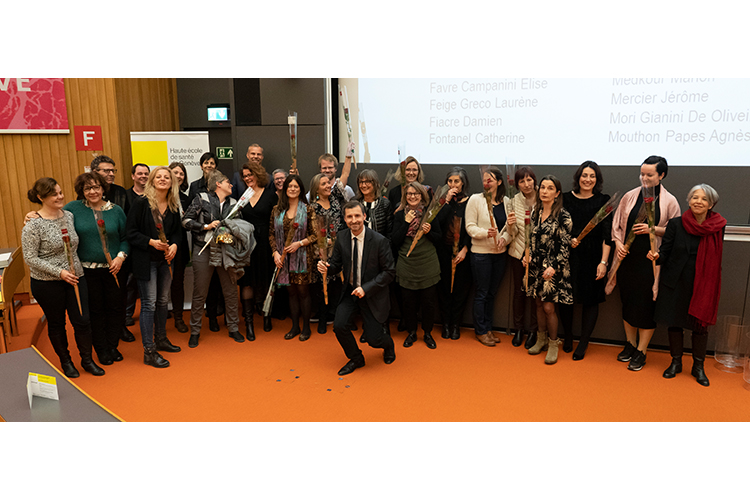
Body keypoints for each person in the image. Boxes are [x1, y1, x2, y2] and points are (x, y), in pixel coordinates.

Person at [21, 177, 105, 377]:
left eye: (60, 192)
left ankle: (87, 360)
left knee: (83, 321)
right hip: (47, 283)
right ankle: (66, 362)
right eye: (54, 194)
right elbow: (30, 258)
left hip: (76, 278)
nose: (60, 197)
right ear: (41, 197)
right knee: (57, 323)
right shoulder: (33, 225)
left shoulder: (69, 215)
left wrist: (70, 272)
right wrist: (59, 272)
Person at [607, 155, 681, 371]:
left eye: (650, 175)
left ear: (661, 175)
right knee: (627, 302)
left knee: (647, 306)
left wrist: (653, 229)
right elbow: (616, 226)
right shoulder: (630, 196)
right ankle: (630, 344)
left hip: (650, 262)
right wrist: (618, 244)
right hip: (627, 260)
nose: (644, 178)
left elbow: (674, 232)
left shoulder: (670, 201)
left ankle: (642, 350)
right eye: (642, 174)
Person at [648, 184, 725, 386]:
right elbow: (665, 251)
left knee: (700, 326)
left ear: (711, 204)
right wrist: (657, 256)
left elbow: (717, 255)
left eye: (704, 199)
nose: (698, 201)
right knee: (675, 322)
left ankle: (698, 367)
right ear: (689, 201)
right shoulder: (676, 224)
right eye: (694, 197)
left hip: (703, 282)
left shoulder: (718, 225)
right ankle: (676, 363)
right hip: (676, 281)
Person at [318, 200, 396, 376]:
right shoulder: (342, 237)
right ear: (345, 219)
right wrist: (326, 267)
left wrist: (366, 288)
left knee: (374, 339)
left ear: (364, 217)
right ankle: (356, 358)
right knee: (339, 326)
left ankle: (388, 345)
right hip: (351, 291)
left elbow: (389, 272)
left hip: (372, 294)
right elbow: (336, 264)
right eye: (349, 217)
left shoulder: (379, 241)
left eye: (357, 216)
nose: (354, 220)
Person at [63, 172, 129, 366]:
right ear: (81, 191)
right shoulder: (73, 209)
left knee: (115, 309)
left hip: (114, 269)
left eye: (96, 187)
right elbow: (53, 217)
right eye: (87, 188)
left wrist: (120, 257)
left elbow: (125, 238)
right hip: (87, 272)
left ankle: (113, 345)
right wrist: (32, 215)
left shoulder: (116, 210)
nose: (92, 191)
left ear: (103, 188)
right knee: (96, 311)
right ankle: (101, 349)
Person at [126, 166, 182, 368]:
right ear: (152, 180)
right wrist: (150, 242)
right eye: (159, 176)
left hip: (166, 261)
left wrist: (175, 245)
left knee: (163, 301)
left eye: (167, 177)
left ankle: (161, 339)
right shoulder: (141, 203)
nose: (163, 179)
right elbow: (130, 232)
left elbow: (177, 232)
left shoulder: (173, 204)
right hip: (146, 260)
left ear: (172, 182)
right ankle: (149, 351)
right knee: (149, 304)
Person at [182, 170, 246, 347]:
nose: (231, 185)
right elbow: (185, 221)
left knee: (230, 291)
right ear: (218, 184)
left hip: (226, 251)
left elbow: (240, 227)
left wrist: (231, 231)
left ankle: (233, 327)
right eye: (228, 182)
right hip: (204, 250)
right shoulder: (201, 198)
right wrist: (206, 226)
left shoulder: (234, 203)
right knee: (200, 292)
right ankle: (195, 331)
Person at [559, 161, 613, 360]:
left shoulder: (604, 201)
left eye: (592, 176)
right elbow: (558, 227)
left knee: (590, 300)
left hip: (593, 257)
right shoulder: (565, 199)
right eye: (584, 175)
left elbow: (607, 235)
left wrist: (603, 262)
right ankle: (567, 336)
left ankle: (583, 341)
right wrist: (568, 239)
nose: (587, 179)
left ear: (597, 180)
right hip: (568, 255)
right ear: (578, 177)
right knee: (566, 298)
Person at [523, 175, 574, 365]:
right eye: (542, 187)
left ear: (557, 193)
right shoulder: (535, 212)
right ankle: (541, 339)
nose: (544, 191)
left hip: (554, 268)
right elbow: (530, 239)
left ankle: (553, 343)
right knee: (537, 304)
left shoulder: (563, 216)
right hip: (535, 266)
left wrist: (554, 267)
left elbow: (566, 246)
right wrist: (526, 255)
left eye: (550, 188)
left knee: (548, 307)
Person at [465, 166, 512, 347]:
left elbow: (510, 229)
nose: (487, 182)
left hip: (500, 255)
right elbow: (470, 227)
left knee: (492, 294)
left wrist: (504, 239)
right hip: (481, 255)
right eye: (485, 179)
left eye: (490, 179)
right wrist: (486, 233)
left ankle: (489, 328)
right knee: (482, 293)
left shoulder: (506, 202)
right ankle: (481, 331)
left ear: (499, 182)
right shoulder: (475, 200)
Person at [392, 182, 442, 349]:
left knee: (428, 303)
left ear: (422, 196)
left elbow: (439, 238)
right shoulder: (400, 214)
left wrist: (429, 232)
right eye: (409, 194)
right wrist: (406, 223)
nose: (412, 196)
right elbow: (395, 241)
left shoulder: (430, 213)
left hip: (428, 264)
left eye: (416, 194)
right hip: (407, 264)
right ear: (405, 196)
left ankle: (427, 333)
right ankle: (411, 332)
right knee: (408, 303)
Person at [269, 174, 318, 341]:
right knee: (291, 293)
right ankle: (295, 326)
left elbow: (315, 235)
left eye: (296, 186)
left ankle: (306, 327)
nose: (292, 189)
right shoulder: (276, 210)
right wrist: (275, 253)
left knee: (303, 292)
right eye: (290, 186)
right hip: (283, 259)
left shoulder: (308, 209)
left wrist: (299, 243)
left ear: (300, 189)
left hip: (302, 258)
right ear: (285, 189)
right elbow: (271, 234)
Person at [309, 154, 352, 333]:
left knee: (338, 284)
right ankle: (322, 317)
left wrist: (348, 156)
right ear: (316, 188)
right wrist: (322, 243)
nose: (328, 186)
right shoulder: (312, 207)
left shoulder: (336, 198)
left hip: (339, 248)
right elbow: (312, 231)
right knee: (322, 285)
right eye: (324, 184)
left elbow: (345, 175)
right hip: (321, 251)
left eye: (329, 183)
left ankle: (338, 316)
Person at [237, 162, 278, 338]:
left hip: (266, 244)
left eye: (250, 174)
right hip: (247, 245)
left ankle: (267, 316)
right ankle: (249, 323)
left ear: (258, 174)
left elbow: (277, 223)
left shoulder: (270, 195)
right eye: (245, 176)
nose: (247, 178)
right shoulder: (243, 196)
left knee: (267, 281)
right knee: (247, 282)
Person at [188, 152, 224, 332]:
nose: (209, 165)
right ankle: (203, 320)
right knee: (203, 285)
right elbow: (190, 214)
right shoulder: (195, 186)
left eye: (212, 163)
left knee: (218, 282)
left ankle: (215, 315)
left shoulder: (222, 185)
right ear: (201, 165)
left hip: (221, 243)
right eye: (206, 163)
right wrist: (205, 227)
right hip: (202, 242)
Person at [503, 166, 539, 349]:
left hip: (538, 255)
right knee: (519, 292)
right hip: (517, 253)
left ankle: (533, 330)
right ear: (517, 185)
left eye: (529, 179)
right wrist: (510, 225)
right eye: (522, 181)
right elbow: (513, 232)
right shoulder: (512, 201)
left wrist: (533, 253)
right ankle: (518, 329)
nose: (526, 184)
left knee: (534, 294)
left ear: (534, 180)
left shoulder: (544, 196)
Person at [436, 167, 472, 340]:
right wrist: (447, 201)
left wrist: (465, 249)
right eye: (450, 181)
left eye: (456, 181)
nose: (453, 184)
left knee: (460, 290)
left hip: (463, 252)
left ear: (463, 183)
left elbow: (472, 227)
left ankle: (456, 324)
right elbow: (437, 223)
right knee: (444, 289)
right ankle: (445, 324)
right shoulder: (442, 201)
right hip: (444, 251)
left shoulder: (470, 201)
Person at [122, 162, 150, 334]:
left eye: (146, 174)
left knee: (148, 281)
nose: (143, 176)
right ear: (133, 176)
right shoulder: (125, 196)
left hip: (149, 246)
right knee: (130, 282)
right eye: (140, 173)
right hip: (131, 244)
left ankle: (151, 312)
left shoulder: (153, 196)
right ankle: (127, 314)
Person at [169, 162, 191, 333]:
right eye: (175, 172)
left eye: (181, 173)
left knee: (178, 282)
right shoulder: (159, 197)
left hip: (181, 245)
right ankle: (161, 315)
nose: (178, 176)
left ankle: (178, 317)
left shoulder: (186, 198)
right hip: (162, 245)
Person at [356, 169, 393, 238]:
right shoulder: (355, 203)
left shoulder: (385, 204)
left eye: (367, 182)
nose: (363, 185)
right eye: (361, 182)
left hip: (380, 244)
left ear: (375, 183)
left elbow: (389, 232)